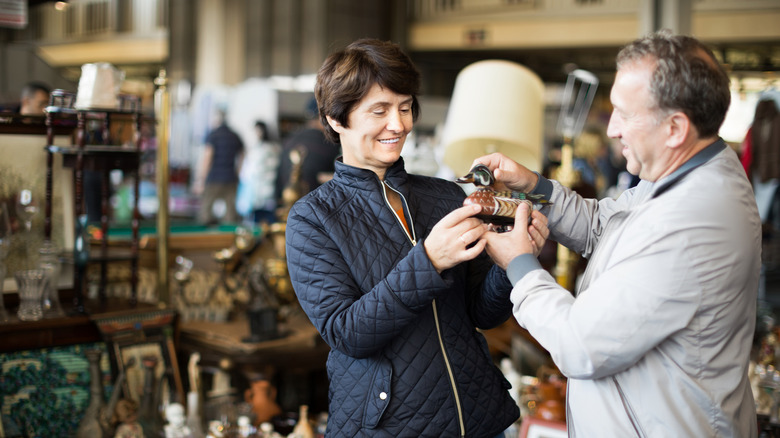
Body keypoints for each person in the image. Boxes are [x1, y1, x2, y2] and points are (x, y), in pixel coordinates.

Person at [481, 30, 762, 437]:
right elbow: (604, 226)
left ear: (675, 128)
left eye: (624, 114)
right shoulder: (681, 172)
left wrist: (519, 264)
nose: (612, 129)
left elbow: (580, 345)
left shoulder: (691, 223)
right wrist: (535, 187)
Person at [285, 38, 548, 437]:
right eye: (380, 110)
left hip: (477, 418)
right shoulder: (313, 218)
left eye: (405, 108)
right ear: (337, 119)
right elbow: (347, 333)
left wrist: (510, 261)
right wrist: (429, 260)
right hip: (388, 426)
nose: (399, 124)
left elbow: (480, 313)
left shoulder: (443, 195)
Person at [273, 97, 340, 213]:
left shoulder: (290, 140)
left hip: (287, 213)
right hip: (318, 214)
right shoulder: (330, 144)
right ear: (323, 117)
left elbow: (277, 180)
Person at [194, 109, 244, 224]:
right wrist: (237, 171)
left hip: (214, 177)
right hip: (230, 177)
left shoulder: (213, 135)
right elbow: (242, 155)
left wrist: (201, 179)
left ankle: (206, 238)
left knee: (206, 210)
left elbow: (207, 158)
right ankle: (229, 238)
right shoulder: (234, 135)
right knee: (230, 213)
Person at [238, 120, 281, 224]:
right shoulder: (256, 147)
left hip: (265, 188)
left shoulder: (271, 148)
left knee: (266, 216)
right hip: (253, 189)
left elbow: (271, 167)